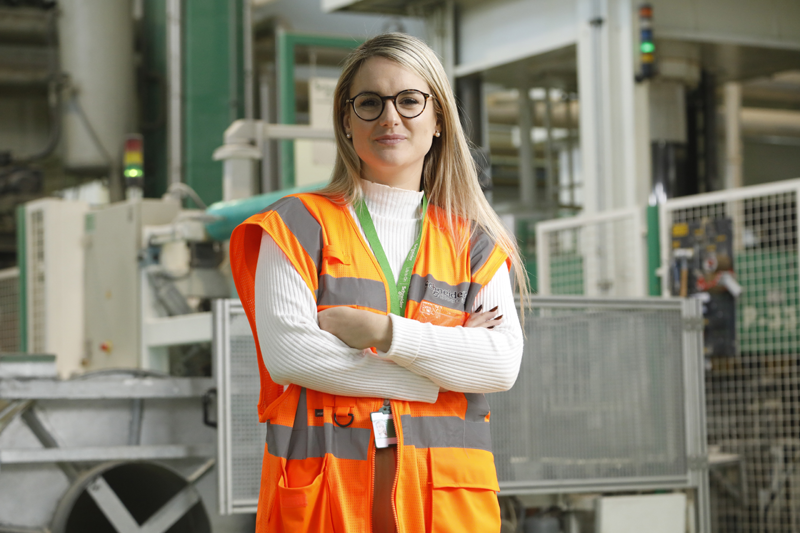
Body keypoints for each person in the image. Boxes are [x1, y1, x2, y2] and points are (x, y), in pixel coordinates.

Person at [229, 32, 527, 533]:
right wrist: (443, 371)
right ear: (347, 122)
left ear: (438, 121)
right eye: (369, 102)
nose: (390, 117)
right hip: (327, 501)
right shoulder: (297, 225)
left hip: (445, 505)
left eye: (410, 100)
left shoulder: (472, 243)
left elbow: (499, 365)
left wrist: (384, 333)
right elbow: (292, 357)